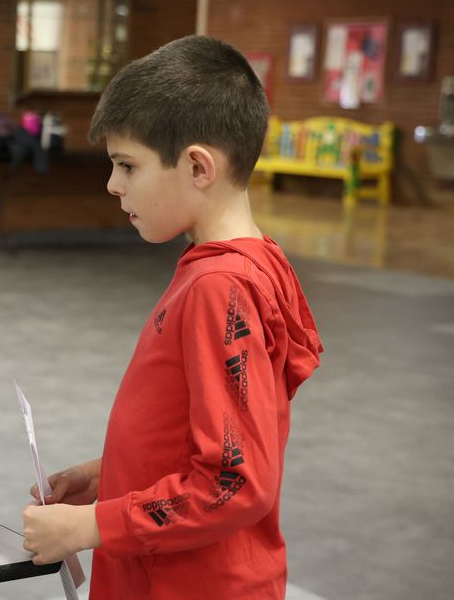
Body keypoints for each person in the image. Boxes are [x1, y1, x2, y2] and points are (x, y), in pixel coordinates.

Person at [21, 35, 323, 599]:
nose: (113, 185)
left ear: (198, 167)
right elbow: (191, 436)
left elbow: (235, 482)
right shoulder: (242, 265)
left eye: (127, 166)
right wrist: (101, 475)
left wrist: (92, 527)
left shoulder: (221, 287)